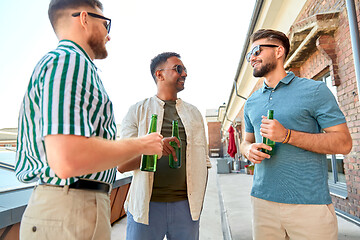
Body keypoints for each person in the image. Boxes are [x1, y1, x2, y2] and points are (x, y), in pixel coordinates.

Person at [14, 0, 163, 239]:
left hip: (73, 208)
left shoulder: (70, 64)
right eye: (106, 24)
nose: (108, 35)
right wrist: (142, 144)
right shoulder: (69, 61)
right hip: (70, 212)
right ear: (84, 18)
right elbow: (68, 159)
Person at [240, 29, 352, 240]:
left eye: (257, 50)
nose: (252, 58)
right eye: (249, 55)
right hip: (262, 204)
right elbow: (245, 141)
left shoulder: (315, 91)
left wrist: (287, 136)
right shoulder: (251, 102)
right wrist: (249, 150)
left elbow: (344, 143)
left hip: (309, 206)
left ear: (279, 51)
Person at [119, 52, 211, 240]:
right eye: (179, 69)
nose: (184, 73)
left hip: (186, 209)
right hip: (145, 208)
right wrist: (153, 151)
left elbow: (204, 162)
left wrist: (198, 203)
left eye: (185, 69)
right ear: (159, 75)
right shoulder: (137, 111)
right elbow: (122, 165)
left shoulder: (194, 114)